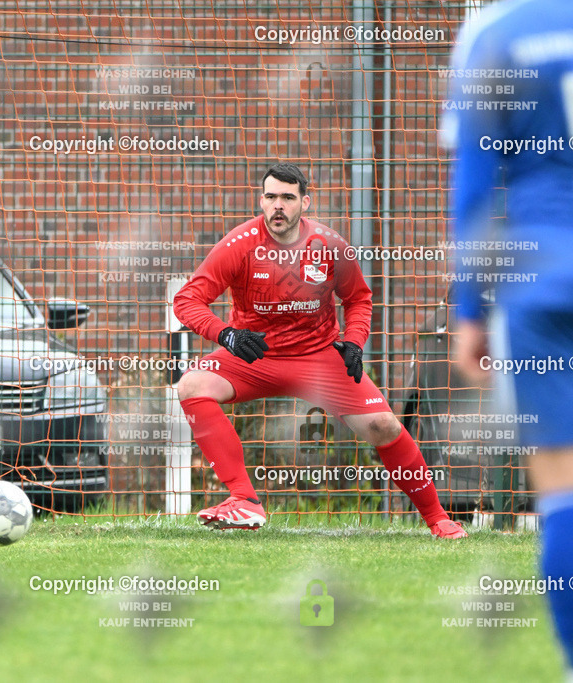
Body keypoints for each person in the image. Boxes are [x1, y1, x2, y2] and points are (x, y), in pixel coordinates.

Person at [173, 163, 467, 538]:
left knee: (383, 424)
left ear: (305, 203)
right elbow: (187, 300)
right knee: (191, 386)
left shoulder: (329, 246)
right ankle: (244, 500)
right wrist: (226, 335)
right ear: (260, 200)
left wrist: (355, 343)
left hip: (318, 358)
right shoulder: (239, 244)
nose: (278, 206)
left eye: (287, 198)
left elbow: (359, 299)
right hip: (253, 356)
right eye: (270, 197)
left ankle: (438, 518)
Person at [443, 0, 573, 670]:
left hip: (542, 280)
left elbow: (472, 184)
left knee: (561, 490)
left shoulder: (496, 32)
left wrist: (470, 309)